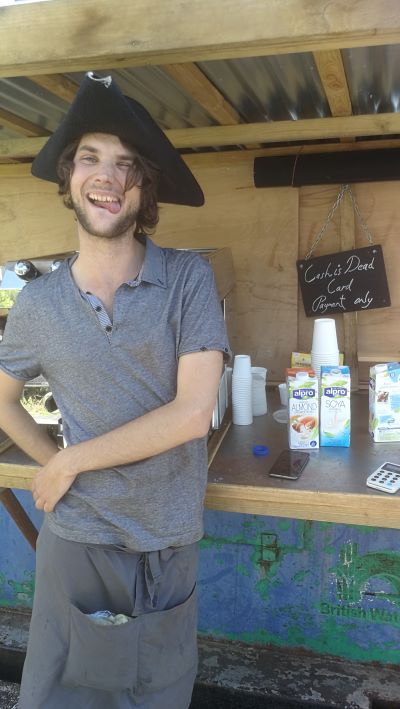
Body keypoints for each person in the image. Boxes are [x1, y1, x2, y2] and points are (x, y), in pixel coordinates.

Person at [0, 72, 230, 709]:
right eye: (90, 159)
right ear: (69, 180)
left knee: (155, 698)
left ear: (144, 188)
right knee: (61, 701)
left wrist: (69, 459)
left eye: (126, 165)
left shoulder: (188, 278)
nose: (106, 175)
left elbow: (192, 413)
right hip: (78, 545)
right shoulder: (39, 304)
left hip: (166, 544)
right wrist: (53, 464)